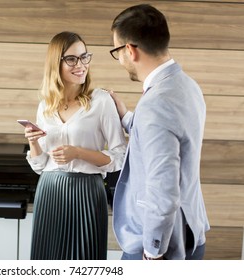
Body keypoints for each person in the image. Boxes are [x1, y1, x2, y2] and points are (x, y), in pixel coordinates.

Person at [108, 4, 210, 260]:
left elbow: (162, 190)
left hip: (161, 245)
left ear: (129, 50)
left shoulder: (156, 104)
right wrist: (127, 118)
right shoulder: (186, 85)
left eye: (117, 51)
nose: (119, 59)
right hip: (190, 232)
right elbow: (170, 136)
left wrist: (153, 252)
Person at [22, 31, 126, 260]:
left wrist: (78, 153)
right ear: (55, 63)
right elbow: (40, 166)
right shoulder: (45, 105)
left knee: (83, 258)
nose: (80, 65)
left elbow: (120, 157)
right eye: (71, 59)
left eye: (84, 57)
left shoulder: (101, 101)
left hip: (87, 191)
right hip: (50, 191)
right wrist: (33, 143)